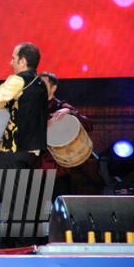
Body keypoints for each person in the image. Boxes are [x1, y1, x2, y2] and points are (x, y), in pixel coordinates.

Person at [0, 43, 48, 246]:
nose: (10, 61)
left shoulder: (18, 80)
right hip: (31, 152)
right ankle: (16, 245)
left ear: (23, 61)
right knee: (21, 202)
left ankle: (21, 247)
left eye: (13, 57)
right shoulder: (40, 84)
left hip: (14, 151)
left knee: (14, 204)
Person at [38, 72, 93, 201]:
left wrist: (70, 113)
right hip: (36, 169)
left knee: (61, 211)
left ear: (53, 88)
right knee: (37, 214)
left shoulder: (61, 107)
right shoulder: (30, 108)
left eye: (43, 84)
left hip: (58, 170)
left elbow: (89, 125)